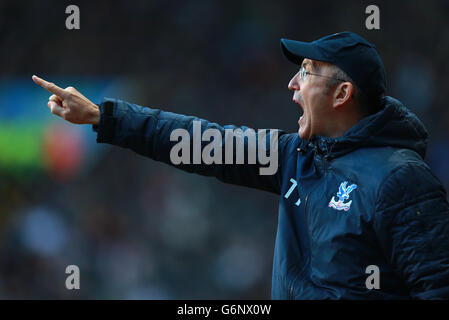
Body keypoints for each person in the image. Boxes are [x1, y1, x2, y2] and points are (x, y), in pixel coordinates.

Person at [32, 31, 449, 299]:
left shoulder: (401, 179)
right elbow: (197, 141)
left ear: (342, 94)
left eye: (306, 72)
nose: (292, 84)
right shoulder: (296, 158)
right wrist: (104, 118)